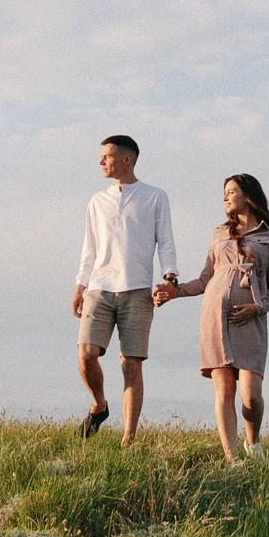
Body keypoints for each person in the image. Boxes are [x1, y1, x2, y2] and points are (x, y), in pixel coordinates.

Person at [155, 173, 269, 463]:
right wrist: (173, 292)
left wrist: (259, 306)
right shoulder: (218, 234)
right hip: (214, 316)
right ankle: (232, 459)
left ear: (248, 197)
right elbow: (205, 279)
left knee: (250, 396)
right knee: (224, 387)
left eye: (231, 192)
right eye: (224, 192)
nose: (225, 197)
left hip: (249, 318)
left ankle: (254, 443)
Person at [71, 134, 176, 445]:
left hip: (138, 289)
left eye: (107, 156)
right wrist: (80, 285)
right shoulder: (96, 201)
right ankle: (99, 405)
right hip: (99, 288)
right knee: (87, 353)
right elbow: (88, 248)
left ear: (127, 159)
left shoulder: (155, 196)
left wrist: (170, 278)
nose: (101, 161)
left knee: (130, 363)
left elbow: (166, 241)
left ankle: (128, 439)